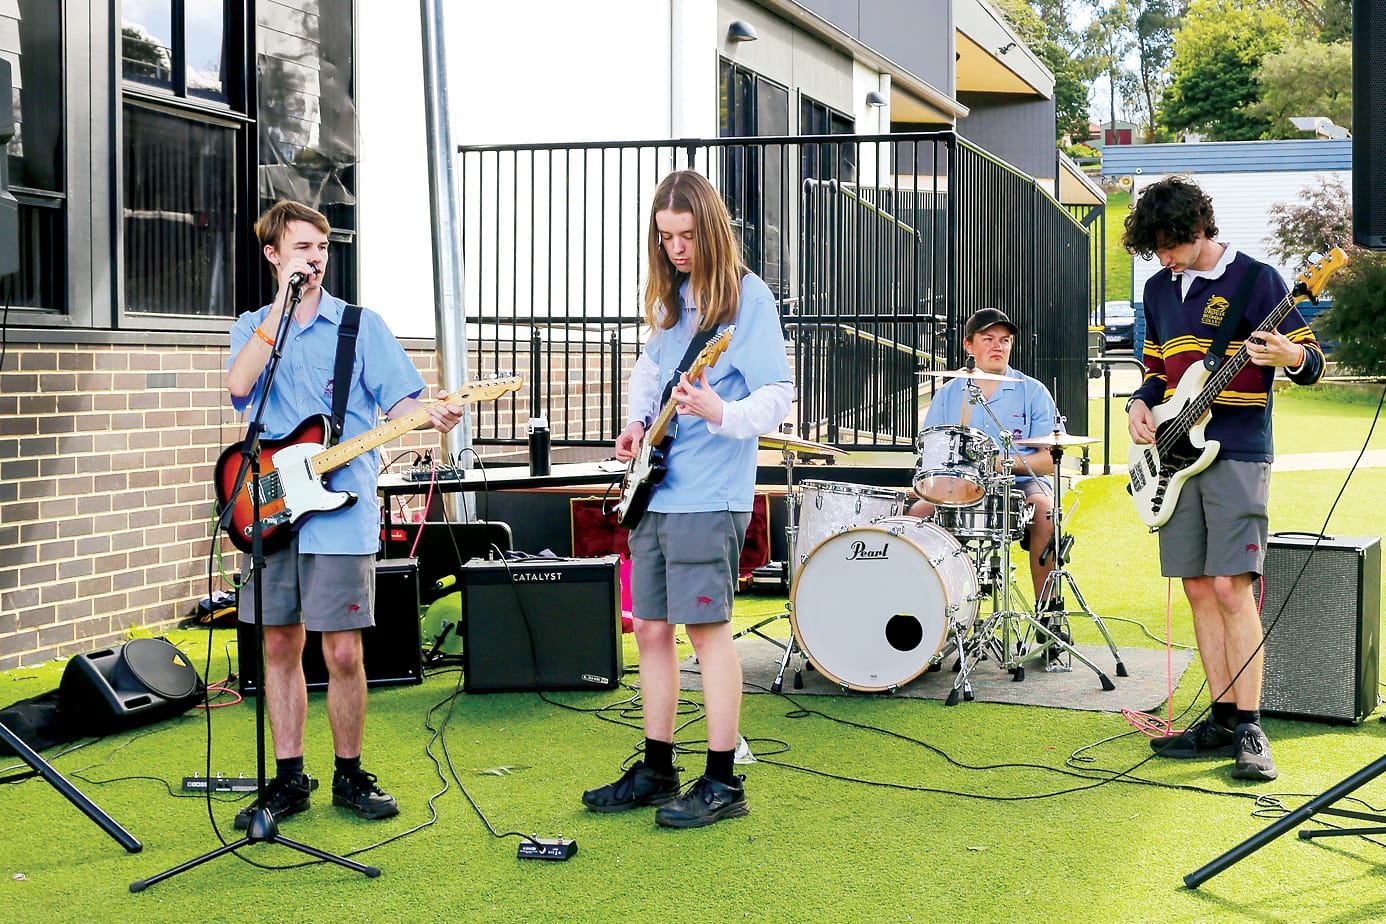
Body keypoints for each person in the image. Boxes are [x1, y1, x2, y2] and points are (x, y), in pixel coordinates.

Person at [225, 200, 463, 827]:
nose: (316, 258)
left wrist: (431, 411)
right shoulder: (253, 325)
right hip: (271, 503)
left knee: (344, 653)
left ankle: (350, 774)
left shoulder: (360, 326)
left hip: (341, 508)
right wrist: (278, 309)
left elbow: (403, 401)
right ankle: (287, 776)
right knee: (278, 644)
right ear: (274, 255)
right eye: (302, 248)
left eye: (323, 248)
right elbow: (238, 387)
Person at [581, 170, 793, 828]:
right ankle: (656, 767)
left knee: (706, 633)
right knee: (647, 629)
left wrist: (719, 408)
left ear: (713, 229)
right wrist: (636, 422)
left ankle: (723, 782)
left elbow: (778, 397)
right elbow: (652, 373)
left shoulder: (746, 300)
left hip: (710, 495)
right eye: (666, 236)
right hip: (659, 489)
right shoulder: (673, 300)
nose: (676, 247)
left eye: (688, 235)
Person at [1122, 176, 1324, 782]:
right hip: (1174, 454)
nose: (1162, 257)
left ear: (1197, 229)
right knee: (1197, 588)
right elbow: (1158, 370)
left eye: (1169, 243)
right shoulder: (1159, 290)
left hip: (1236, 450)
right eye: (1153, 246)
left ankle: (1251, 726)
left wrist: (1287, 357)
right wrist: (1139, 401)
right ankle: (1218, 715)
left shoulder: (1257, 280)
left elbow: (1310, 363)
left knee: (1233, 586)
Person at [907, 308, 1061, 616]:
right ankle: (935, 617)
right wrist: (925, 486)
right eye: (988, 339)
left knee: (1045, 512)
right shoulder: (950, 392)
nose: (998, 346)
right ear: (969, 345)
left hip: (1019, 483)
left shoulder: (1033, 391)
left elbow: (1048, 461)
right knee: (919, 512)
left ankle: (1048, 612)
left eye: (1005, 340)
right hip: (959, 484)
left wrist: (1000, 463)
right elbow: (932, 454)